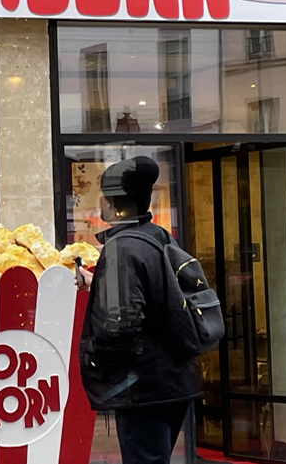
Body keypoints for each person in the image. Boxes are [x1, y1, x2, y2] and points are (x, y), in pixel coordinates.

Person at [78, 157, 200, 464]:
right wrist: (100, 286)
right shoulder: (157, 237)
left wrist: (94, 353)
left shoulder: (121, 248)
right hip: (175, 378)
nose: (101, 204)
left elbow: (120, 323)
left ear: (117, 204)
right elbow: (154, 296)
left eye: (105, 198)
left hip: (143, 386)